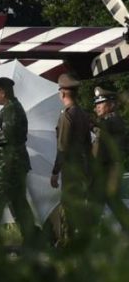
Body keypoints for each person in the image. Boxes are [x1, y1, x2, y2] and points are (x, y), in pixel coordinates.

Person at [0, 77, 39, 248]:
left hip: (7, 165)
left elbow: (8, 135)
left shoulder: (11, 110)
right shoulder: (9, 109)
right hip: (12, 164)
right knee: (18, 203)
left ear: (2, 92)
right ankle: (32, 240)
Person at [50, 73, 92, 247]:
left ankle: (68, 241)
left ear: (63, 93)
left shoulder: (67, 115)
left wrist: (55, 171)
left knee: (68, 204)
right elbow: (88, 143)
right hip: (82, 166)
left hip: (70, 166)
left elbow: (63, 147)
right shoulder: (82, 113)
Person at [88, 85, 129, 232]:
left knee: (98, 202)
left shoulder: (113, 121)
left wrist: (92, 123)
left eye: (101, 103)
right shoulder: (107, 122)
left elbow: (106, 130)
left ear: (111, 105)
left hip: (107, 171)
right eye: (96, 104)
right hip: (105, 171)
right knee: (109, 202)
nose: (97, 107)